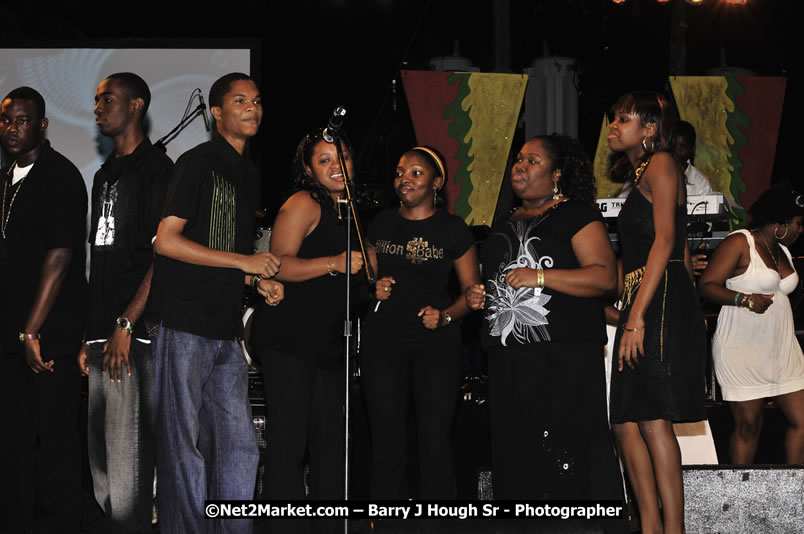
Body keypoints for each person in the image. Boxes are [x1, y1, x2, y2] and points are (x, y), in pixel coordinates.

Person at [147, 72, 283, 533]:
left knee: (240, 444)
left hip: (225, 328)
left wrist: (253, 277)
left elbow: (219, 247)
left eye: (258, 100)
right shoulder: (198, 161)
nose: (252, 107)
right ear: (217, 113)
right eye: (240, 100)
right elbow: (166, 241)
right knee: (183, 445)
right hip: (184, 321)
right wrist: (245, 259)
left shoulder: (245, 171)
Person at [478, 134, 624, 509]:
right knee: (518, 453)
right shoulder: (505, 219)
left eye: (533, 160)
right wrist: (482, 294)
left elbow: (605, 278)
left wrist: (540, 277)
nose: (520, 165)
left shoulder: (576, 213)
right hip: (509, 355)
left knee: (567, 450)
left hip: (563, 354)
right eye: (519, 159)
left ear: (557, 174)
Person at [250, 128, 363, 533]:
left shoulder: (351, 210)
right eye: (325, 160)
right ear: (308, 168)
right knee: (289, 445)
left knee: (331, 447)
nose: (337, 166)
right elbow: (278, 263)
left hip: (330, 343)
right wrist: (334, 261)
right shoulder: (304, 202)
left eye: (343, 157)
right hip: (290, 339)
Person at [76, 72, 174, 533]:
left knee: (128, 464)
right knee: (102, 467)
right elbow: (102, 261)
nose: (98, 108)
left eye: (108, 99)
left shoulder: (159, 171)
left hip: (133, 334)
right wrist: (90, 334)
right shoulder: (103, 175)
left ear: (136, 106)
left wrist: (126, 323)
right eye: (96, 101)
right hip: (102, 331)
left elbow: (165, 257)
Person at [607, 91, 706, 534]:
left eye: (623, 118)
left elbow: (666, 242)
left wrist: (636, 317)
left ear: (649, 128)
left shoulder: (663, 163)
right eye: (612, 118)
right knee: (626, 419)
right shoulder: (641, 173)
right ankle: (650, 525)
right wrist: (625, 306)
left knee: (652, 418)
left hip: (659, 299)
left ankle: (673, 530)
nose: (613, 125)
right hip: (642, 297)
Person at [360, 146, 481, 499]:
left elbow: (471, 295)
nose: (404, 179)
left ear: (437, 182)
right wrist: (372, 289)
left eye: (416, 173)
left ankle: (438, 520)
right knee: (386, 439)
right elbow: (363, 282)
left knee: (434, 440)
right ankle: (386, 520)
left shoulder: (453, 229)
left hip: (436, 345)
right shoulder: (381, 223)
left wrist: (444, 316)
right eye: (399, 172)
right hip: (383, 341)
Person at [0, 86, 88, 533]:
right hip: (9, 334)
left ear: (42, 124)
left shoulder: (62, 175)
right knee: (11, 441)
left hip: (48, 333)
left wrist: (31, 330)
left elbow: (60, 256)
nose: (12, 128)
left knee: (54, 439)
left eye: (22, 120)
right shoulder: (4, 178)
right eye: (6, 120)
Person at [698, 185, 804, 464]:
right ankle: (739, 499)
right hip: (742, 349)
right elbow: (706, 286)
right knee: (749, 426)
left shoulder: (782, 250)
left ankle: (796, 493)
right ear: (781, 222)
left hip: (782, 351)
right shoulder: (739, 242)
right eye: (798, 224)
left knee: (802, 421)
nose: (800, 230)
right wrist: (743, 299)